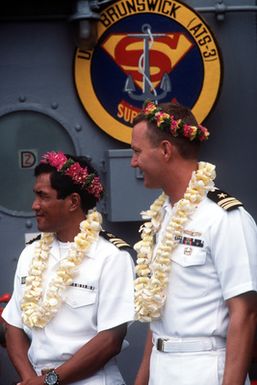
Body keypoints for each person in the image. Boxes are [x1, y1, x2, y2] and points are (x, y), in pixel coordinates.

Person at [130, 101, 257, 385]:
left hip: (205, 368)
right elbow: (158, 310)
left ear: (165, 150)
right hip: (161, 367)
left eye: (137, 152)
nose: (133, 162)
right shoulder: (160, 217)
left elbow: (245, 313)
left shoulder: (224, 217)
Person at [2, 151, 135, 385]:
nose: (35, 205)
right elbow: (13, 324)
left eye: (43, 196)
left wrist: (50, 381)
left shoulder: (111, 256)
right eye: (35, 196)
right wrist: (30, 378)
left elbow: (111, 339)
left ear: (73, 202)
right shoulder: (30, 253)